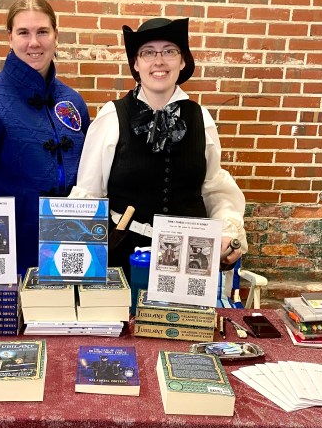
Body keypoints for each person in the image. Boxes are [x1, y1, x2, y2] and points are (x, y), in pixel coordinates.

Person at [70, 18, 247, 275]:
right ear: (136, 63)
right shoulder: (112, 117)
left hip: (190, 259)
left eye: (169, 51)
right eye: (148, 52)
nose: (159, 61)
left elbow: (215, 190)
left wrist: (228, 233)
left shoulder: (201, 119)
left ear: (183, 61)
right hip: (126, 257)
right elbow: (90, 194)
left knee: (183, 318)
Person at [0, 0, 91, 274]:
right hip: (12, 254)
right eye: (23, 33)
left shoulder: (72, 102)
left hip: (71, 250)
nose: (34, 43)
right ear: (10, 38)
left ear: (55, 35)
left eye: (42, 31)